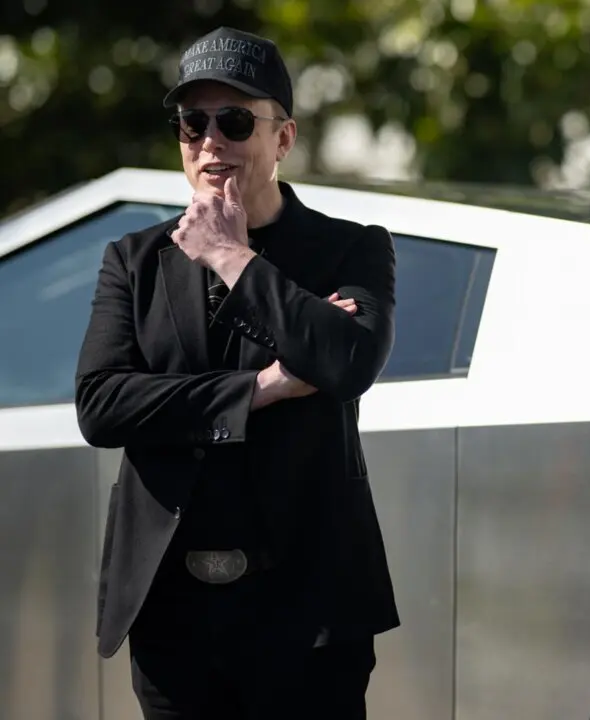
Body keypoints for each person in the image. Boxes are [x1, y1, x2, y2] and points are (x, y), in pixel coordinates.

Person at [74, 26, 399, 719]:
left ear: (283, 138)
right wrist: (259, 391)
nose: (210, 141)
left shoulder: (349, 250)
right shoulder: (134, 261)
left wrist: (231, 258)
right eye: (193, 123)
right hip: (171, 612)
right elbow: (102, 405)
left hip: (307, 611)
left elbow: (346, 361)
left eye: (234, 121)